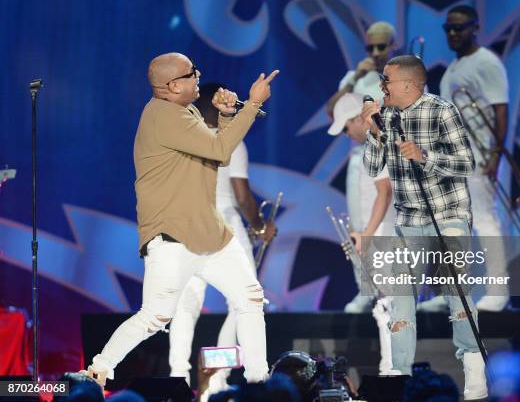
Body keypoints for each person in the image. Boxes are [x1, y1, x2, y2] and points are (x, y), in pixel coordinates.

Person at [80, 52, 279, 386]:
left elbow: (217, 152)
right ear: (171, 86)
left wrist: (228, 116)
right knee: (155, 317)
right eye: (191, 73)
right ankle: (99, 369)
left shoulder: (182, 111)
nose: (198, 77)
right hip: (174, 238)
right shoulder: (163, 116)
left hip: (211, 233)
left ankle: (261, 382)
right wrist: (251, 105)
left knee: (250, 298)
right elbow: (219, 151)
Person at [361, 55, 487, 400]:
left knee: (457, 297)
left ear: (408, 84)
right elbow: (373, 168)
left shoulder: (442, 111)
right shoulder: (385, 115)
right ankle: (401, 378)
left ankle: (475, 377)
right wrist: (373, 132)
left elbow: (466, 163)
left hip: (448, 216)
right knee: (401, 299)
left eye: (386, 80)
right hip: (408, 221)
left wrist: (424, 156)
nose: (381, 87)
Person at [168, 83, 276, 394]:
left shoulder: (182, 140)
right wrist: (258, 225)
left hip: (185, 227)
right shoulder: (232, 142)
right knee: (246, 302)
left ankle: (178, 379)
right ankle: (226, 378)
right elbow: (242, 197)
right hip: (224, 225)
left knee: (185, 306)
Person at [438, 4, 510, 312]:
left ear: (475, 27)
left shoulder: (486, 62)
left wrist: (495, 153)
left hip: (478, 156)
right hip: (451, 158)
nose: (454, 34)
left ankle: (499, 290)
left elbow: (500, 108)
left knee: (484, 220)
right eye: (449, 29)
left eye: (460, 27)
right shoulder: (454, 67)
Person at [327, 92, 398, 375]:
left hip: (384, 232)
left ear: (359, 118)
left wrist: (367, 234)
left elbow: (385, 192)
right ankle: (390, 365)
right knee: (384, 304)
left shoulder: (377, 144)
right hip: (381, 230)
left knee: (388, 304)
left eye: (346, 127)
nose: (346, 134)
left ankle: (392, 368)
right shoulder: (373, 144)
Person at [326, 21, 396, 118]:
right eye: (370, 48)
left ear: (393, 45)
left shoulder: (406, 77)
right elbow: (331, 111)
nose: (375, 53)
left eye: (381, 47)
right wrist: (355, 78)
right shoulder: (353, 78)